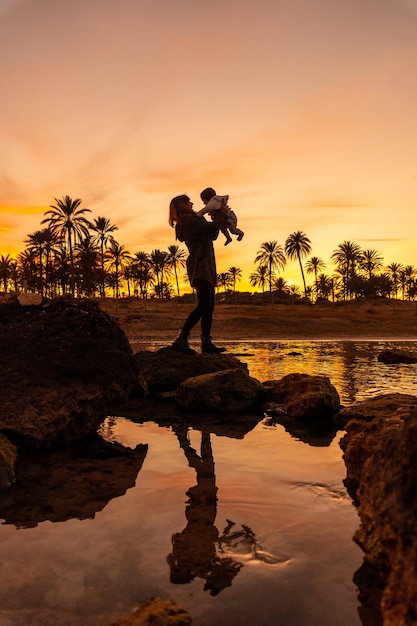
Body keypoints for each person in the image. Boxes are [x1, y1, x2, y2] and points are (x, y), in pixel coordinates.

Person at [168, 194, 226, 354]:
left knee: (209, 306)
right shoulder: (189, 221)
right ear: (183, 205)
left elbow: (213, 235)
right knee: (204, 304)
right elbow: (214, 229)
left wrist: (214, 216)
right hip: (200, 264)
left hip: (205, 264)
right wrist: (219, 213)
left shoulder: (191, 221)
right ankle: (182, 337)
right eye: (189, 202)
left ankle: (206, 342)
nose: (192, 203)